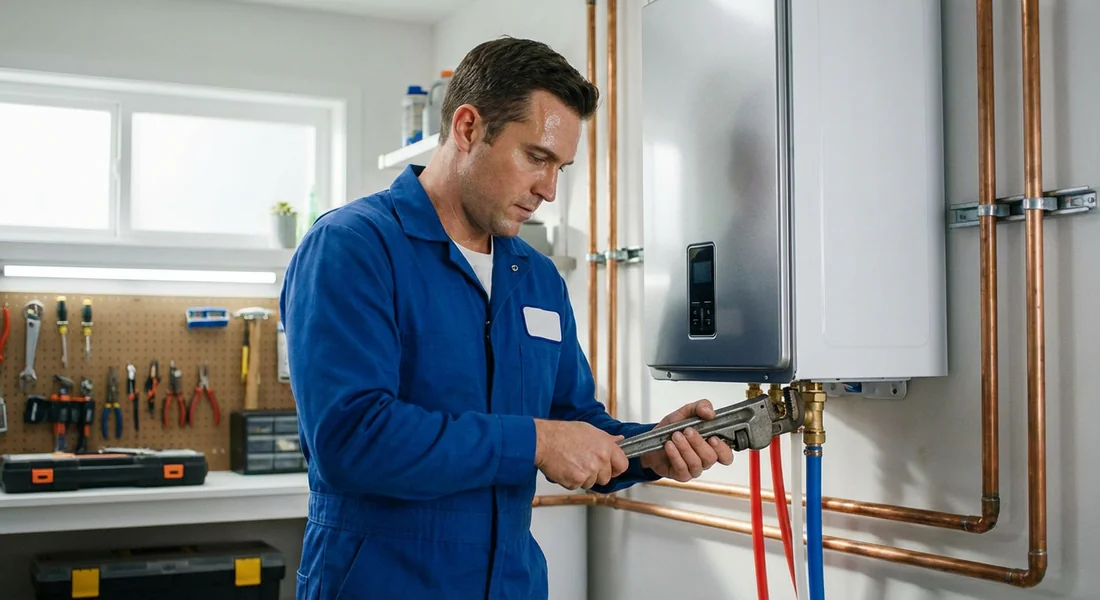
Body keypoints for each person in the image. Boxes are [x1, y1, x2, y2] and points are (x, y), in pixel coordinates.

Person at [281, 36, 735, 600]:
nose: (548, 189)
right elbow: (352, 439)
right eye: (536, 157)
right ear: (469, 128)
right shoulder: (354, 247)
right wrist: (536, 441)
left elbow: (574, 421)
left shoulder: (537, 278)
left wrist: (654, 449)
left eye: (561, 167)